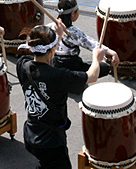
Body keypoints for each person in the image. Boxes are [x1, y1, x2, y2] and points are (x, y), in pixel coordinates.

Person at [18, 23, 105, 169]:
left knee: (45, 164)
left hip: (31, 134)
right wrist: (96, 58)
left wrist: (57, 37)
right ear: (52, 49)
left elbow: (45, 54)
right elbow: (92, 76)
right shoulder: (59, 76)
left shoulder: (22, 65)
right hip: (51, 142)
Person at [54, 0, 118, 77]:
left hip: (54, 65)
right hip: (72, 68)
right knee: (104, 67)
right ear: (73, 13)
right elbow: (91, 44)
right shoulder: (73, 32)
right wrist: (112, 52)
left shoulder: (51, 27)